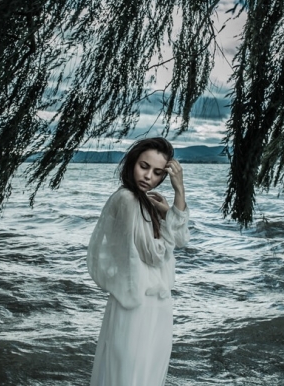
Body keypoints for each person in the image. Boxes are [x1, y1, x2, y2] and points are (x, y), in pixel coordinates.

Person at [87, 137, 190, 386]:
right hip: (138, 304)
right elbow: (154, 253)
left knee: (141, 373)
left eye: (157, 172)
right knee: (131, 374)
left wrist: (172, 204)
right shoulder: (127, 199)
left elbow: (181, 239)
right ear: (133, 162)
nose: (148, 177)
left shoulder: (143, 201)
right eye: (144, 166)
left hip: (152, 302)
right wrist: (171, 212)